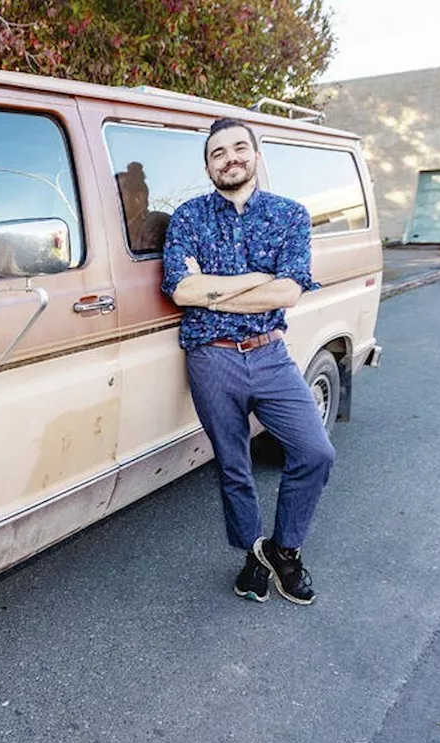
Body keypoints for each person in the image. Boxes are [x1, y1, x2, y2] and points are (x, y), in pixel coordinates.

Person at [160, 117, 335, 605]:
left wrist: (211, 292)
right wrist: (256, 278)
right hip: (210, 360)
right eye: (218, 153)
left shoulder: (290, 215)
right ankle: (252, 559)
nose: (230, 158)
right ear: (208, 166)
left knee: (315, 452)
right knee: (234, 465)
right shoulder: (189, 217)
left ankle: (285, 549)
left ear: (257, 156)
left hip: (270, 356)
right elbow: (180, 288)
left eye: (239, 148)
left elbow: (289, 290)